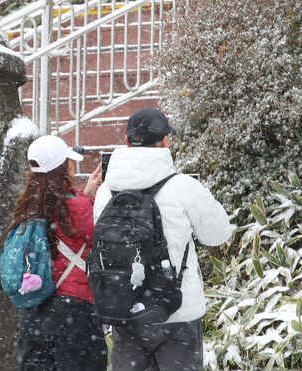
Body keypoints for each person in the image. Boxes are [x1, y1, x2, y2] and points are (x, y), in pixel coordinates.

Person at [93, 108, 234, 371]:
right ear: (165, 141)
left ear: (126, 141)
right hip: (176, 311)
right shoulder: (183, 187)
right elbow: (219, 234)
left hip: (125, 310)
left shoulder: (105, 191)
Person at [10, 135, 107, 371]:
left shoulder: (27, 206)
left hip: (34, 311)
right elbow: (100, 237)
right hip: (73, 312)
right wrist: (91, 198)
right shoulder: (77, 207)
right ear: (63, 167)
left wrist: (85, 194)